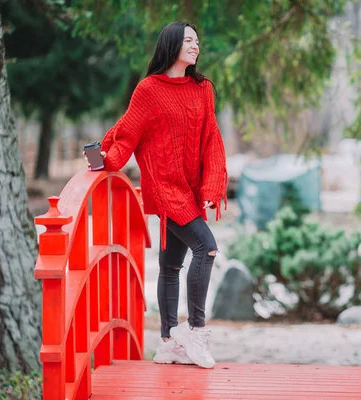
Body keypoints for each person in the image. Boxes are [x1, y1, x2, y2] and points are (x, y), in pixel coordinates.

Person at [86, 21, 227, 369]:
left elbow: (212, 139)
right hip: (164, 188)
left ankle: (168, 343)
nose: (195, 46)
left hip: (191, 190)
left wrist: (211, 187)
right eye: (188, 40)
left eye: (198, 40)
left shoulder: (203, 88)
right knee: (206, 247)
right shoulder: (148, 90)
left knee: (171, 266)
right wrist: (108, 159)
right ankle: (195, 331)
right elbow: (129, 131)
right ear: (172, 45)